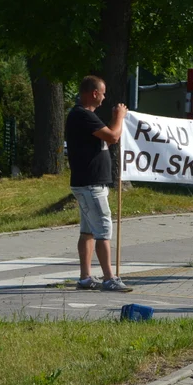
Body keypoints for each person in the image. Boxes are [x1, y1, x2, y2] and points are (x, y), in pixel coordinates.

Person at [65, 75, 132, 292]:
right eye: (102, 93)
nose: (104, 98)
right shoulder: (82, 115)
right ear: (94, 93)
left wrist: (116, 119)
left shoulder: (85, 116)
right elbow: (113, 136)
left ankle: (85, 277)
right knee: (103, 228)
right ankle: (109, 278)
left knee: (88, 231)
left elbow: (110, 134)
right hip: (90, 184)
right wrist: (120, 116)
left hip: (88, 183)